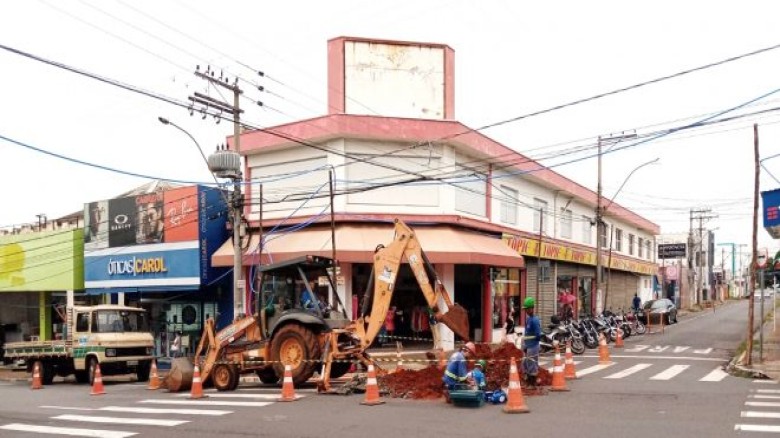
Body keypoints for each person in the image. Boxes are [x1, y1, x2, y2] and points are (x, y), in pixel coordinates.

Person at [521, 297, 541, 389]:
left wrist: (531, 339)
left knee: (532, 364)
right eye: (525, 309)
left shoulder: (535, 320)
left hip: (533, 346)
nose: (526, 311)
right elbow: (527, 332)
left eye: (527, 309)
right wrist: (525, 345)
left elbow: (538, 335)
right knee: (526, 363)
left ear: (532, 308)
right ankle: (529, 382)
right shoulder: (528, 319)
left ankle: (532, 384)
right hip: (528, 345)